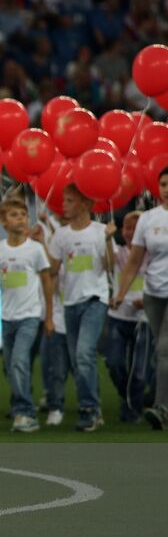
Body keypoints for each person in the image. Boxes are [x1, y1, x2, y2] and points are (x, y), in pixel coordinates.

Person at [0, 197, 55, 433]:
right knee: (10, 366)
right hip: (7, 318)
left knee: (19, 361)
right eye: (14, 215)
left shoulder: (35, 249)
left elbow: (47, 281)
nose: (20, 219)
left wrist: (49, 316)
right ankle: (21, 403)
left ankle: (25, 413)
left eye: (23, 214)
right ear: (3, 221)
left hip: (30, 316)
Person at [43, 184, 113, 431]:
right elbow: (51, 271)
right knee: (79, 360)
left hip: (95, 299)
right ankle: (93, 406)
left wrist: (108, 241)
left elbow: (110, 267)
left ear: (85, 204)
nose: (64, 205)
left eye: (70, 201)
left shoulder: (101, 230)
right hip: (70, 303)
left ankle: (89, 409)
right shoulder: (61, 235)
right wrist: (42, 242)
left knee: (83, 354)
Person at [111, 166, 168, 430]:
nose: (167, 189)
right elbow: (134, 261)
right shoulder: (148, 219)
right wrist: (121, 292)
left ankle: (160, 408)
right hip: (153, 293)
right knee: (162, 350)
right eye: (164, 184)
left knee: (163, 349)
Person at [107, 211, 150, 422]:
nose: (130, 232)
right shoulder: (118, 253)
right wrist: (107, 238)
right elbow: (107, 262)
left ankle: (133, 406)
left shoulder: (154, 255)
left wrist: (147, 301)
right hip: (118, 316)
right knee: (114, 363)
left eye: (135, 228)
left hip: (145, 318)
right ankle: (130, 398)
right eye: (127, 227)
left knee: (139, 370)